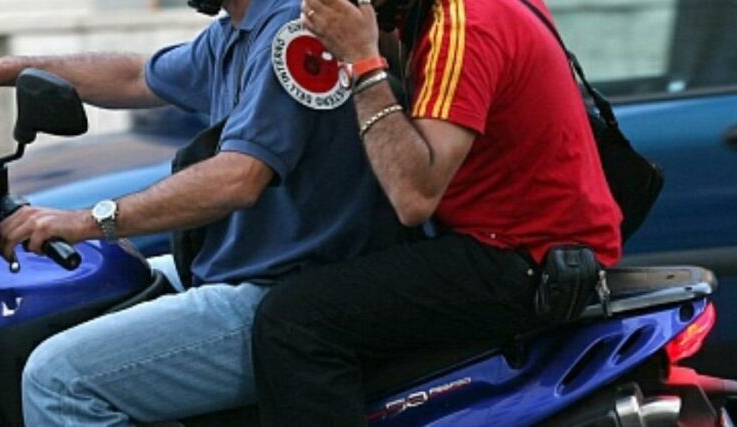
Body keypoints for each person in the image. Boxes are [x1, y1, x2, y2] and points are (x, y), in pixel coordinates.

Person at [0, 0, 398, 425]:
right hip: (237, 264)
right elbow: (135, 76)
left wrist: (86, 221)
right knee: (92, 288)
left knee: (57, 380)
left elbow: (239, 178)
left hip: (279, 289)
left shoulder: (291, 28)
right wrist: (1, 70)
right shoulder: (235, 32)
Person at [251, 0, 624, 425]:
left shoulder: (464, 27)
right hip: (518, 237)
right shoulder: (441, 17)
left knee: (293, 320)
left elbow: (413, 196)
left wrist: (361, 61)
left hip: (521, 254)